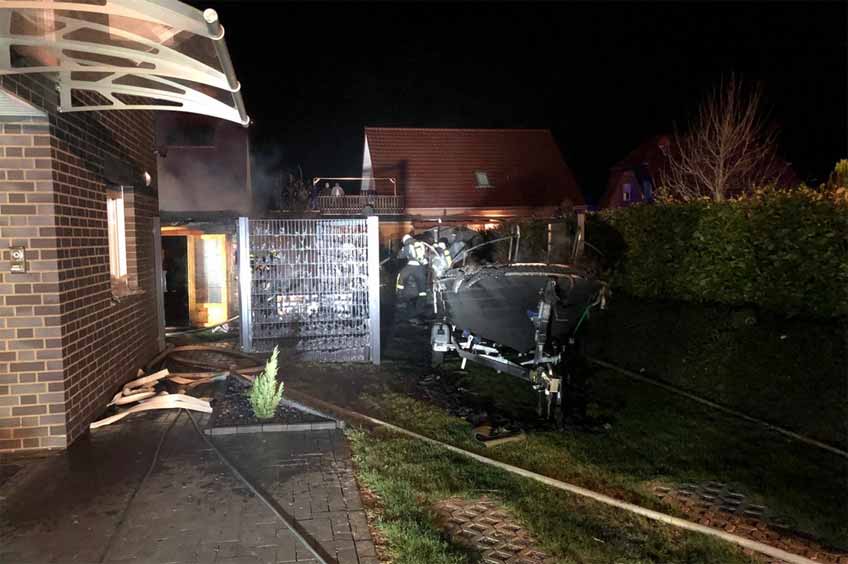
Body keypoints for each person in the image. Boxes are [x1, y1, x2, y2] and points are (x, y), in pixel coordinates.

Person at [395, 234, 429, 319]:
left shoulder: (407, 245)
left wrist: (399, 254)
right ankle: (421, 308)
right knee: (422, 289)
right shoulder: (421, 244)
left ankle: (399, 294)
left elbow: (400, 255)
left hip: (411, 266)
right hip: (421, 268)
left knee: (401, 276)